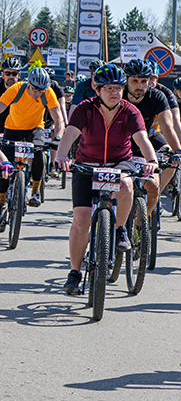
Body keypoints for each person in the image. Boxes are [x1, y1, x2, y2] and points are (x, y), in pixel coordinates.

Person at [54, 64, 158, 295]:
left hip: (118, 162)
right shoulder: (84, 108)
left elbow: (142, 139)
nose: (115, 93)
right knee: (81, 220)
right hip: (87, 164)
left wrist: (151, 160)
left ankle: (121, 228)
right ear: (97, 89)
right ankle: (75, 272)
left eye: (119, 88)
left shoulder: (130, 111)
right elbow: (71, 133)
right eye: (109, 88)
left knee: (126, 184)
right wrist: (61, 155)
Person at [123, 59, 181, 215]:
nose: (140, 86)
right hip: (120, 143)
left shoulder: (157, 96)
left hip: (146, 141)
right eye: (135, 81)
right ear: (126, 79)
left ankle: (142, 219)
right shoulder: (118, 94)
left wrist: (178, 150)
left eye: (144, 81)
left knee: (156, 184)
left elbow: (167, 126)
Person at [0, 67, 65, 210]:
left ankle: (36, 189)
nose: (37, 94)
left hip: (35, 128)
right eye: (35, 90)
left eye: (40, 91)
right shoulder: (16, 89)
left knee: (38, 151)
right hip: (13, 128)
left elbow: (59, 119)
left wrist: (58, 137)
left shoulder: (48, 93)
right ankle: (2, 199)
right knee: (6, 165)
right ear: (28, 84)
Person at [0, 57, 22, 136]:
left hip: (18, 129)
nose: (11, 77)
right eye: (7, 73)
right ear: (2, 74)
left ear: (19, 75)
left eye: (14, 74)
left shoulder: (25, 88)